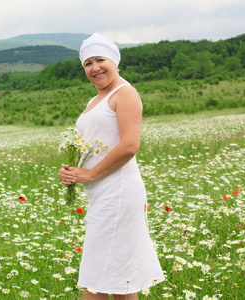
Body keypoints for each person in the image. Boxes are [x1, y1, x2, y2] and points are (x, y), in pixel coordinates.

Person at [59, 33, 165, 300]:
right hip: (101, 193)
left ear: (115, 61)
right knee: (120, 278)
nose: (95, 68)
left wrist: (91, 174)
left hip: (118, 192)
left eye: (100, 60)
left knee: (97, 279)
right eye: (87, 63)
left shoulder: (124, 93)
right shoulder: (95, 100)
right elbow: (96, 146)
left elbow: (129, 145)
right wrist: (73, 171)